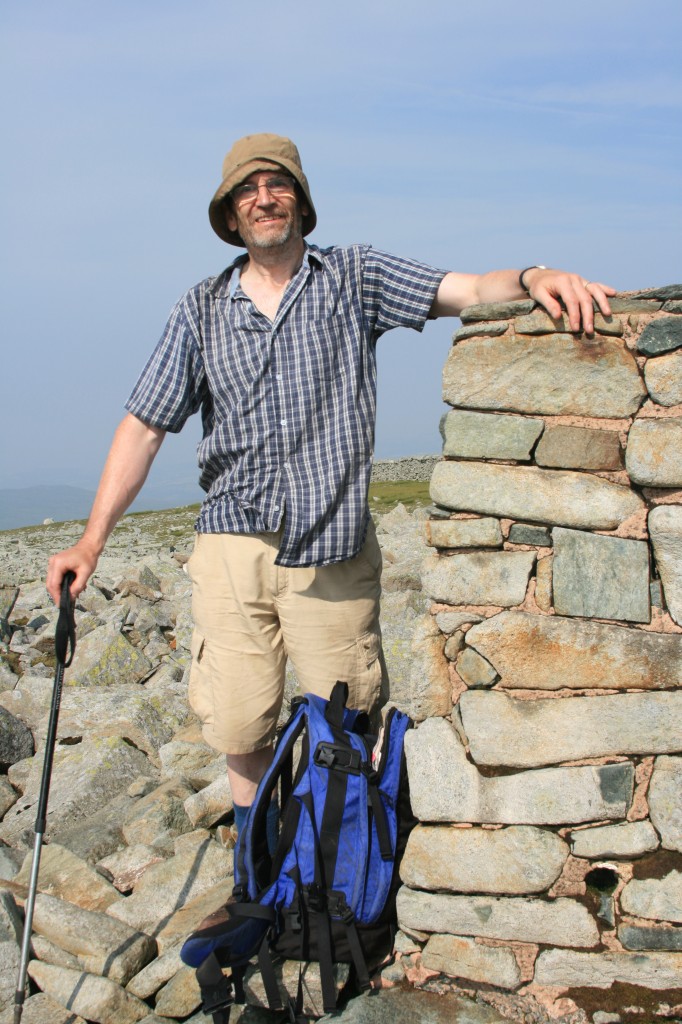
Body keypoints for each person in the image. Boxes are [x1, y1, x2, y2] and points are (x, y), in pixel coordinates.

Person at [47, 133, 615, 834]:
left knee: (344, 726)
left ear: (301, 201)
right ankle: (259, 886)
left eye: (277, 184)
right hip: (231, 547)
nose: (263, 198)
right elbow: (144, 426)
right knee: (240, 726)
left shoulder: (354, 276)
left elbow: (462, 291)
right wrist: (90, 544)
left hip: (332, 545)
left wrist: (534, 275)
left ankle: (343, 886)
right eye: (247, 190)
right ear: (229, 215)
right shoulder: (199, 309)